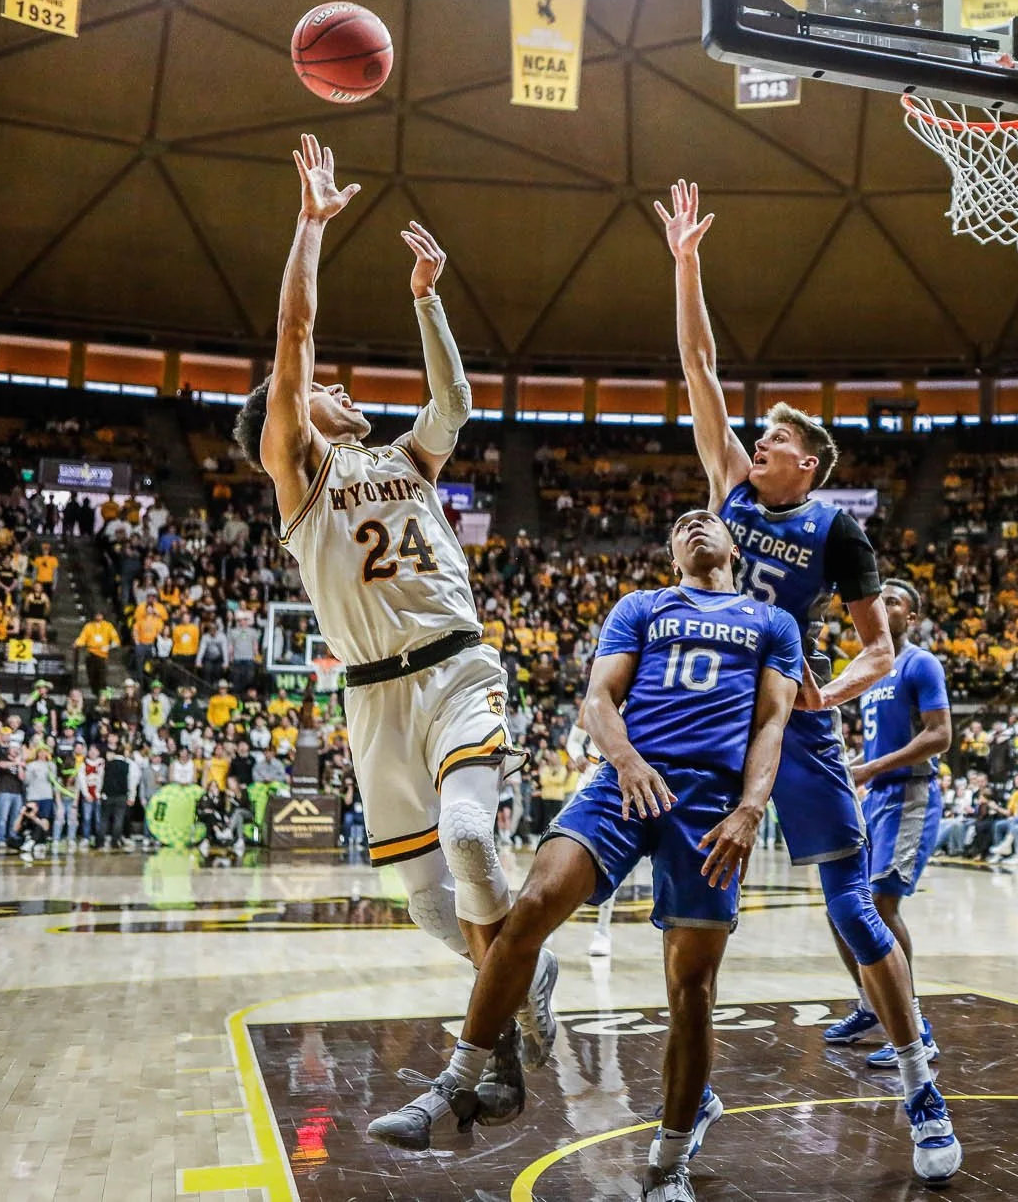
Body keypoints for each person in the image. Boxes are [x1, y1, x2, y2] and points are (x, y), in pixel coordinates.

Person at [371, 513, 869, 1200]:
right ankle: (453, 1083)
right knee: (533, 907)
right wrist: (628, 762)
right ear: (672, 555)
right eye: (680, 526)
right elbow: (598, 701)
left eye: (708, 520)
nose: (695, 525)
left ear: (733, 547)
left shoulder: (772, 622)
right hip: (623, 779)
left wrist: (752, 809)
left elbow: (771, 724)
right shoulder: (642, 606)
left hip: (709, 800)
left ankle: (668, 1161)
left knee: (692, 990)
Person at [234, 135, 556, 1080]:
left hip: (457, 665)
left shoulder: (407, 459)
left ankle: (488, 1042)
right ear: (287, 420)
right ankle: (518, 976)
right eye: (323, 390)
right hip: (374, 699)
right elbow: (295, 341)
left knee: (467, 835)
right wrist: (309, 226)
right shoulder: (298, 474)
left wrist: (428, 298)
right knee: (424, 905)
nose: (338, 386)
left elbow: (452, 398)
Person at [659, 178, 962, 1176]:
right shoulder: (729, 487)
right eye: (765, 434)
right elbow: (699, 362)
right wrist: (685, 261)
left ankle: (920, 1083)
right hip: (705, 723)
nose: (764, 442)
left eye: (781, 438)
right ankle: (691, 1098)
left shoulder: (835, 533)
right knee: (698, 928)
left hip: (792, 724)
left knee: (853, 905)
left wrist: (832, 694)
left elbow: (877, 646)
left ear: (808, 465)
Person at [838, 579, 952, 1070]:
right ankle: (872, 1004)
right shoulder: (869, 669)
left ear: (912, 616)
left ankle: (916, 1028)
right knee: (841, 910)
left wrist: (870, 767)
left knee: (881, 906)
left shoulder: (920, 663)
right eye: (877, 599)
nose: (883, 606)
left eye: (894, 601)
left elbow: (941, 735)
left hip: (910, 794)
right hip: (876, 796)